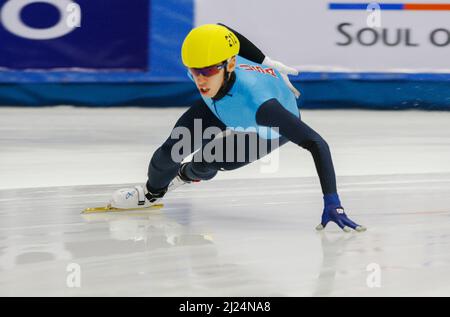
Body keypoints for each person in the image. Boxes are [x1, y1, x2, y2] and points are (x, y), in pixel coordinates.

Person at [110, 24, 366, 232]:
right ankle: (151, 194)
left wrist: (332, 201)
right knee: (169, 152)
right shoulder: (207, 64)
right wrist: (266, 60)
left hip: (260, 129)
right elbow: (222, 29)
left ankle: (186, 176)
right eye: (194, 71)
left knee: (207, 161)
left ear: (230, 65)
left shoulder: (262, 106)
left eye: (208, 71)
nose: (200, 79)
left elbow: (316, 142)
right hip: (220, 108)